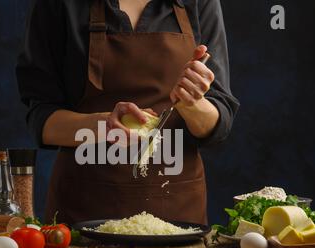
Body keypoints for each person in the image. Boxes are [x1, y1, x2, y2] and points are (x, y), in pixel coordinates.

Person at [16, 0, 240, 225]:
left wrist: (192, 104)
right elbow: (41, 118)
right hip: (84, 215)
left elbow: (219, 123)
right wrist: (103, 126)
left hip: (177, 215)